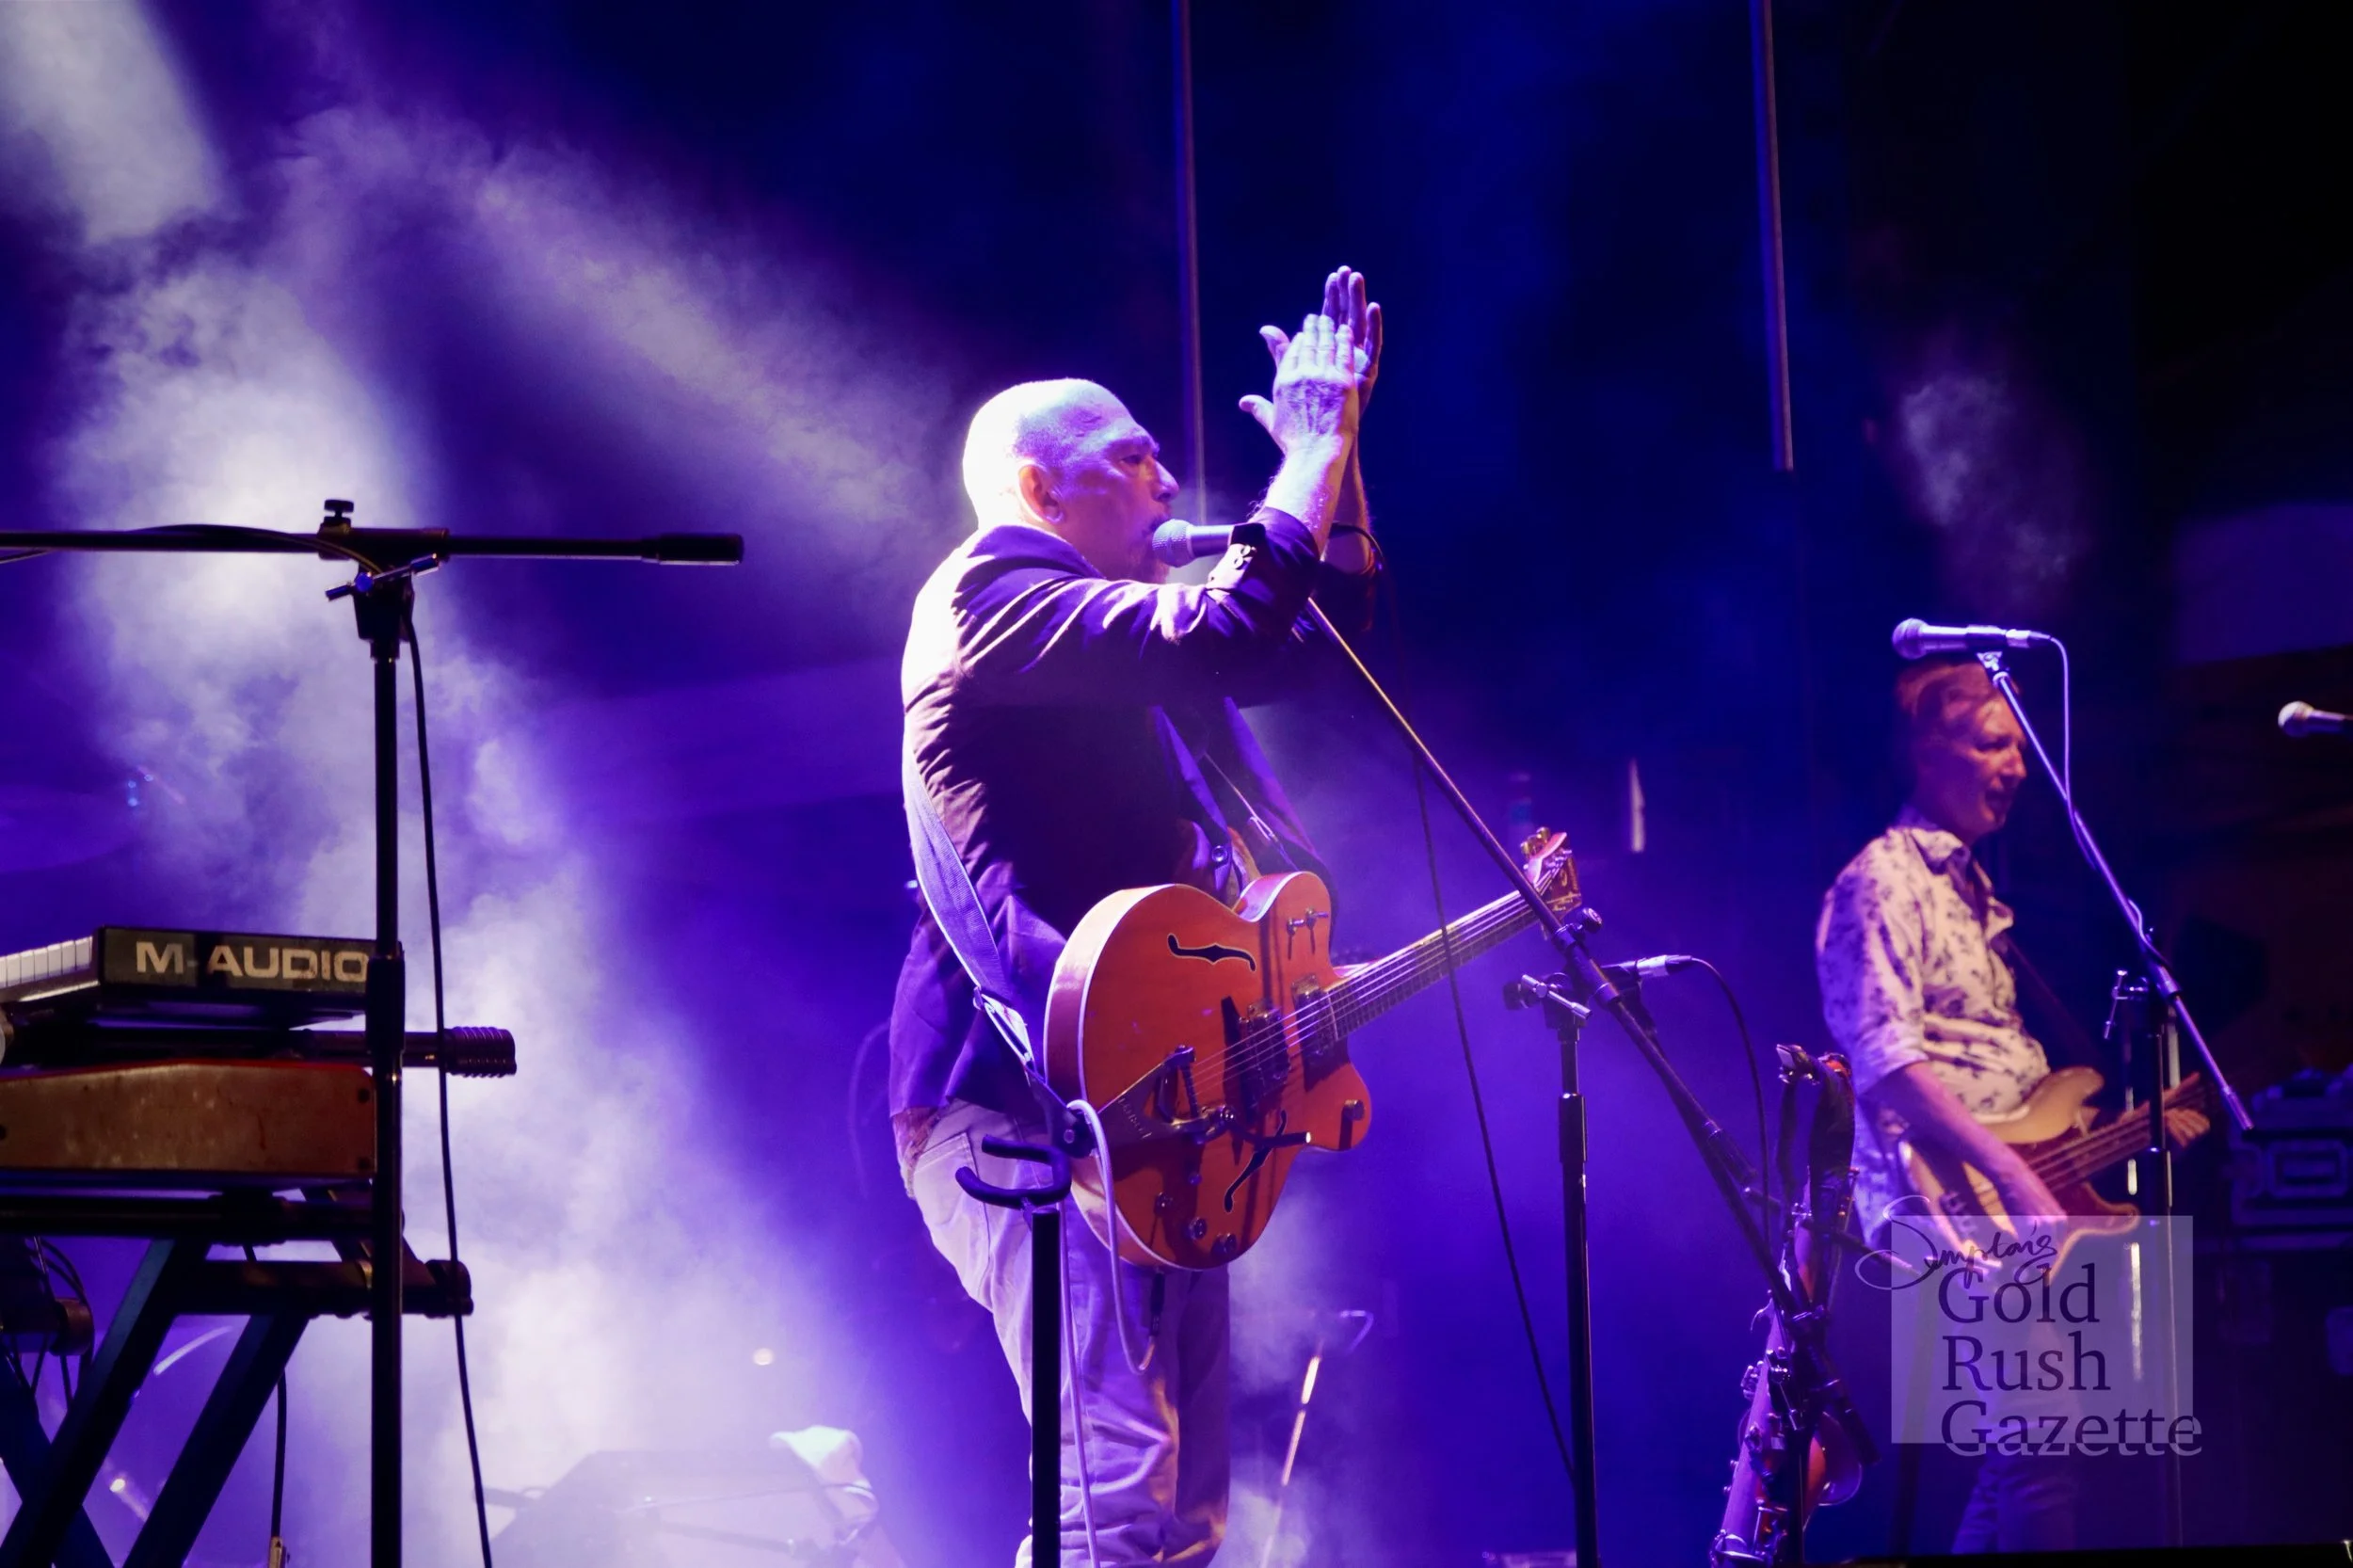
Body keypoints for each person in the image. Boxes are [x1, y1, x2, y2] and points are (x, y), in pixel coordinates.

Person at [890, 268, 1383, 1564]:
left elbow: (1294, 645)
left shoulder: (1108, 638)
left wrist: (1335, 479)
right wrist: (1311, 451)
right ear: (1042, 489)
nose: (1167, 475)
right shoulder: (992, 601)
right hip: (1018, 1102)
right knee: (1111, 1481)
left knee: (1179, 1510)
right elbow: (1229, 631)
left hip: (1156, 1091)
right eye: (1132, 456)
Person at [1814, 654, 2205, 1552]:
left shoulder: (1973, 890)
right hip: (1951, 1202)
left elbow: (2012, 1088)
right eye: (1995, 743)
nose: (2019, 767)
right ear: (1925, 754)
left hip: (2008, 1184)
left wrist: (2128, 1139)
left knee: (2027, 1456)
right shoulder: (1883, 878)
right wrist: (2011, 1177)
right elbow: (1885, 1061)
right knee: (2042, 1443)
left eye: (2020, 747)